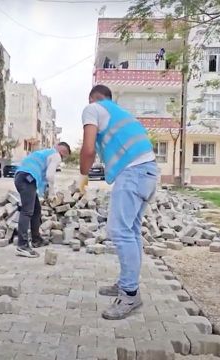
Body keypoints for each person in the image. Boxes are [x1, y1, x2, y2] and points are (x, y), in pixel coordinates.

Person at [79, 85, 158, 320]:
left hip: (133, 172)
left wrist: (83, 173)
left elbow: (89, 148)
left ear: (93, 98)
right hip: (148, 171)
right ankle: (127, 284)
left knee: (119, 231)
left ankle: (130, 294)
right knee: (131, 232)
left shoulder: (92, 108)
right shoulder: (119, 113)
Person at [14, 142, 71, 258]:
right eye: (64, 157)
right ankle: (22, 245)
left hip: (22, 177)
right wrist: (51, 192)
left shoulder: (45, 153)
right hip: (28, 178)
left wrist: (44, 192)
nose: (62, 159)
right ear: (63, 152)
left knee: (36, 209)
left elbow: (43, 175)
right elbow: (50, 175)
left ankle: (36, 239)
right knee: (27, 211)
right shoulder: (56, 155)